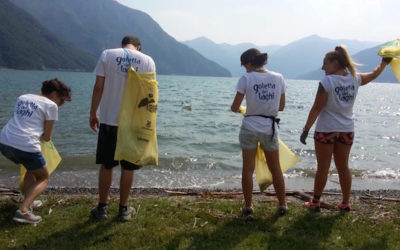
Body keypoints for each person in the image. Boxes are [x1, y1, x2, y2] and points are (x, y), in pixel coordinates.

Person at [300, 46, 392, 212]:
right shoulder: (355, 78)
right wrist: (383, 64)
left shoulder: (327, 82)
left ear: (336, 62)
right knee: (343, 167)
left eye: (325, 63)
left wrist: (306, 129)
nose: (322, 68)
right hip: (347, 130)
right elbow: (373, 74)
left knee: (323, 167)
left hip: (326, 130)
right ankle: (345, 202)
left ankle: (315, 202)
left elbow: (316, 108)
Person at [89, 35, 156, 222]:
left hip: (109, 120)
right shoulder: (148, 61)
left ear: (123, 45)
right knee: (128, 168)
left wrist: (93, 113)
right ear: (139, 47)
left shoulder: (107, 55)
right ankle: (123, 210)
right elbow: (150, 94)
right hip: (134, 123)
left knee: (107, 165)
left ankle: (102, 208)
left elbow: (98, 87)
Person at [0, 78, 71, 224]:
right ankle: (24, 211)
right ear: (53, 94)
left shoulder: (23, 97)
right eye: (61, 100)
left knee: (31, 170)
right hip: (25, 146)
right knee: (43, 177)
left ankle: (28, 201)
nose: (60, 104)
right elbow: (46, 137)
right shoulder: (51, 106)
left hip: (5, 142)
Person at [231, 48, 287, 216]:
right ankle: (282, 205)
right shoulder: (279, 78)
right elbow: (281, 107)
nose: (244, 69)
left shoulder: (246, 78)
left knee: (248, 169)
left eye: (244, 65)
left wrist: (245, 108)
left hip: (249, 127)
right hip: (270, 128)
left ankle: (248, 207)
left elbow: (234, 107)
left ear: (249, 63)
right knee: (275, 168)